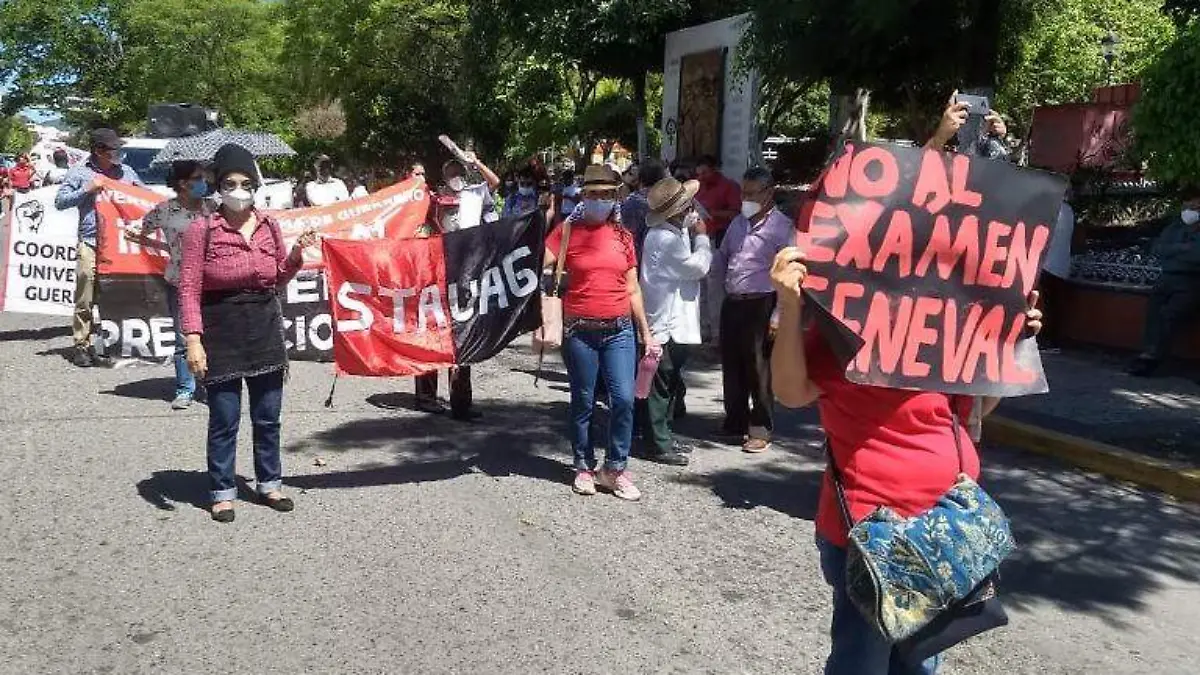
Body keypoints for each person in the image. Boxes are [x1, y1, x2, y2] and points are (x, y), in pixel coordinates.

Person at [769, 246, 1043, 675]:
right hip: (871, 534)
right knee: (861, 664)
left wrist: (1010, 341)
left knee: (920, 663)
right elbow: (789, 392)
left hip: (943, 530)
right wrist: (789, 305)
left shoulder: (947, 328)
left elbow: (976, 410)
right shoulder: (843, 327)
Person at [179, 144, 319, 523]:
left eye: (245, 183)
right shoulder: (202, 229)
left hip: (264, 326)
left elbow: (276, 277)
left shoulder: (269, 225)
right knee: (224, 418)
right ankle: (222, 490)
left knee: (267, 416)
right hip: (221, 328)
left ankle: (268, 483)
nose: (238, 190)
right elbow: (189, 287)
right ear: (218, 187)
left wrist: (296, 258)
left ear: (256, 187)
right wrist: (193, 339)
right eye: (230, 183)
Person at [544, 165, 657, 501]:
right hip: (579, 331)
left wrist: (645, 333)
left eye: (607, 195)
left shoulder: (624, 237)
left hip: (620, 330)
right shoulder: (567, 233)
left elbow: (633, 288)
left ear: (615, 197)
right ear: (583, 196)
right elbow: (540, 266)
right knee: (583, 400)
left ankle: (615, 469)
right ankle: (583, 465)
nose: (600, 200)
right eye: (594, 194)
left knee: (623, 399)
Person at [413, 152, 501, 420]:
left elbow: (495, 182)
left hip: (469, 270)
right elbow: (418, 223)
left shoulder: (476, 194)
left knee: (464, 334)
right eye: (450, 173)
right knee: (433, 331)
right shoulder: (434, 198)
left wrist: (476, 162)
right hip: (438, 270)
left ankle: (461, 402)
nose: (456, 177)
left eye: (459, 172)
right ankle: (425, 397)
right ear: (443, 177)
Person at [636, 176, 713, 466]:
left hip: (675, 321)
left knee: (669, 383)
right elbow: (697, 267)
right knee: (661, 385)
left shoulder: (670, 231)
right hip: (666, 324)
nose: (693, 211)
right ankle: (657, 443)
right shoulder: (665, 238)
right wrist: (703, 237)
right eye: (688, 207)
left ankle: (664, 435)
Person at [715, 167, 792, 453]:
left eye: (751, 193)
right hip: (734, 300)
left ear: (769, 193)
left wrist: (778, 315)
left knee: (758, 369)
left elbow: (789, 275)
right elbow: (723, 256)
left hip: (763, 302)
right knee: (732, 365)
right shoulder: (738, 223)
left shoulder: (782, 228)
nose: (744, 199)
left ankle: (760, 428)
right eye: (742, 193)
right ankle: (735, 421)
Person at [123, 161, 210, 409]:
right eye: (198, 178)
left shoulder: (213, 209)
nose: (203, 182)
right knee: (184, 338)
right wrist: (168, 248)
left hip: (213, 281)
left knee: (213, 336)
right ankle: (185, 389)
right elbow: (136, 230)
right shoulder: (165, 210)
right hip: (180, 282)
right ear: (183, 184)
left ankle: (213, 385)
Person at [55, 129, 144, 368]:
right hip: (91, 241)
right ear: (98, 150)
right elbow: (60, 201)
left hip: (119, 243)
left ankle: (111, 344)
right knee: (86, 293)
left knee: (115, 295)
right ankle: (81, 345)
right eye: (113, 149)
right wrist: (87, 189)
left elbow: (144, 197)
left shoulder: (127, 172)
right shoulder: (80, 172)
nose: (118, 153)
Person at [1129, 187, 1200, 377]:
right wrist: (1183, 248)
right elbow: (1157, 249)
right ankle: (1147, 353)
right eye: (1189, 204)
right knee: (1153, 313)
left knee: (1169, 314)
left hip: (1192, 281)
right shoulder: (1175, 226)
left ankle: (1153, 357)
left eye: (1196, 206)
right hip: (1167, 277)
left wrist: (1175, 250)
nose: (1191, 209)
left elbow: (1196, 256)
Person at [1038, 189, 1075, 349]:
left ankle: (1048, 340)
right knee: (1054, 304)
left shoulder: (1053, 209)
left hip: (1048, 264)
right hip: (1061, 264)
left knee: (1047, 305)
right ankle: (1053, 340)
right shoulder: (1068, 211)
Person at [620, 159, 668, 263]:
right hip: (656, 262)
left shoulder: (628, 202)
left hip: (631, 259)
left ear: (640, 179)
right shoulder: (667, 205)